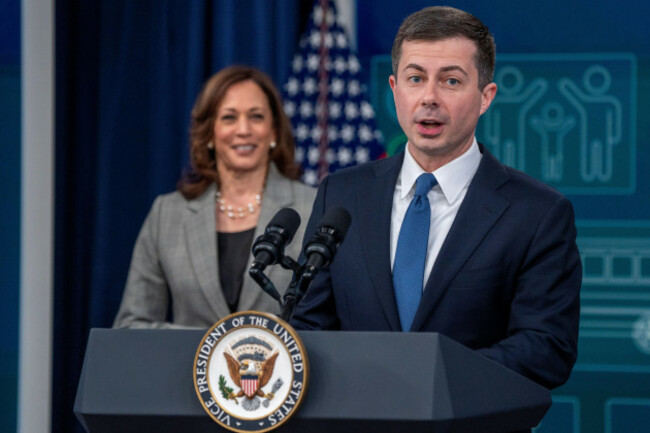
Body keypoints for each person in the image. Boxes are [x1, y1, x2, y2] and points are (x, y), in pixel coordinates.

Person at [291, 6, 581, 392]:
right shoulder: (342, 194)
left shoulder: (538, 213)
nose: (429, 97)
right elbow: (310, 324)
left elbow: (545, 348)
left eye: (451, 81)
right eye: (415, 78)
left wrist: (425, 376)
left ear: (485, 96)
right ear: (395, 90)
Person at [114, 66, 316, 328]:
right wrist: (213, 346)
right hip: (184, 369)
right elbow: (131, 324)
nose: (243, 129)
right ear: (209, 133)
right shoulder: (168, 214)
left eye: (256, 117)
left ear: (274, 132)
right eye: (229, 117)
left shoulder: (312, 207)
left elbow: (330, 321)